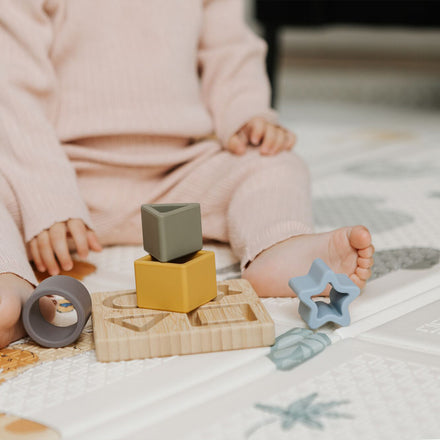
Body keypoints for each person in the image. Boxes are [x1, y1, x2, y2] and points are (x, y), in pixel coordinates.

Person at [0, 0, 374, 348]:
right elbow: (11, 82)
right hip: (65, 180)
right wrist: (47, 196)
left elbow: (229, 51)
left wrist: (247, 115)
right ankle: (10, 284)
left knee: (273, 162)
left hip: (179, 174)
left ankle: (275, 246)